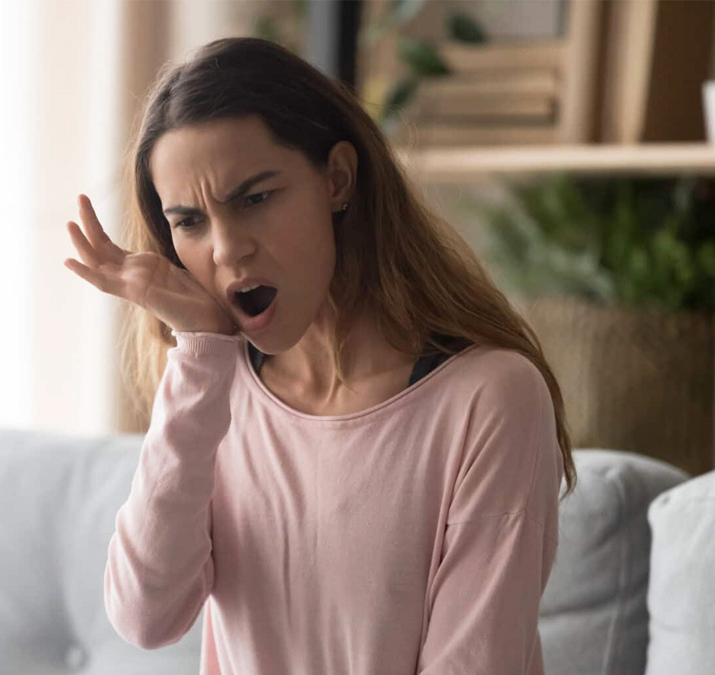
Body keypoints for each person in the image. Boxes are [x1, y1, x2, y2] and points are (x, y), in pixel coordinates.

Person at [63, 36, 577, 675]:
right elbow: (145, 616)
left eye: (254, 198)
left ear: (337, 178)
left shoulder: (490, 398)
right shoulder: (215, 393)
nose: (227, 250)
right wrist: (199, 358)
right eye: (189, 222)